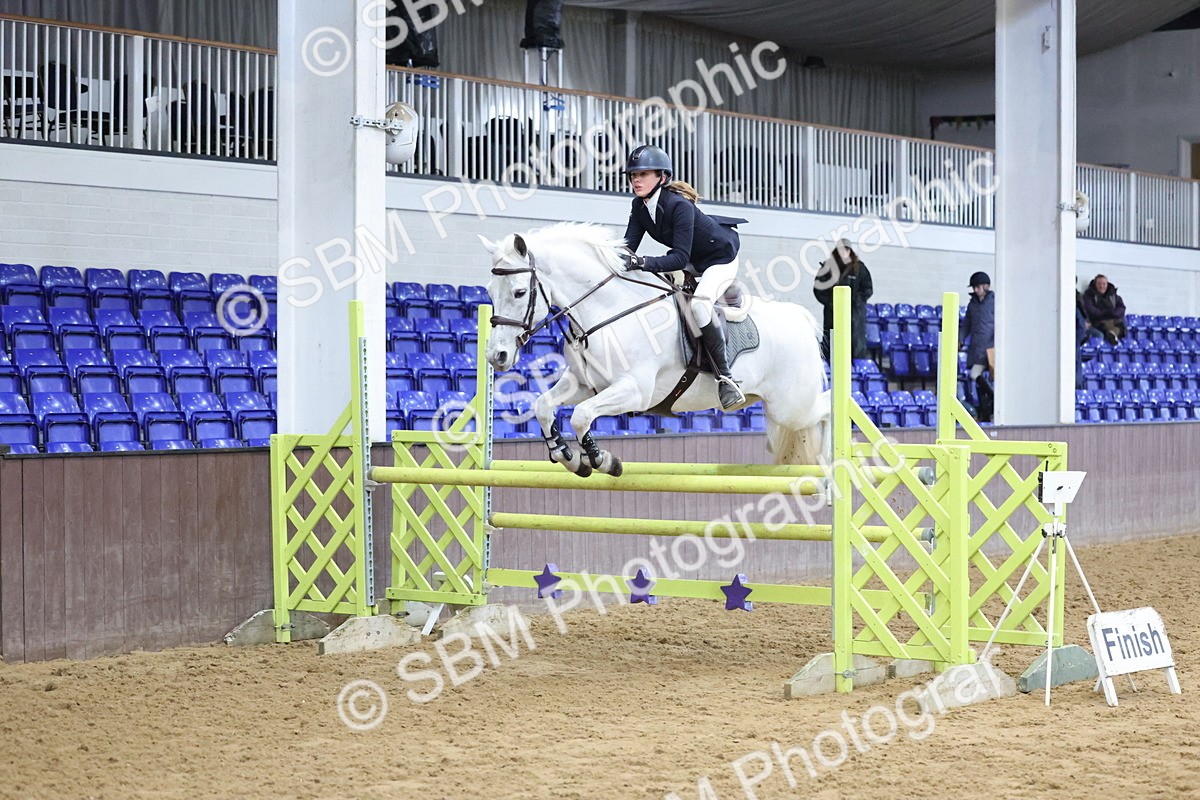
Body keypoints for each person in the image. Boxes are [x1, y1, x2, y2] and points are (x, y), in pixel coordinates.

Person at [619, 144, 748, 410]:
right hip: (691, 259)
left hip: (718, 259)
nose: (636, 180)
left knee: (700, 305)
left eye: (643, 174)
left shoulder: (679, 206)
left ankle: (725, 378)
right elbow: (628, 246)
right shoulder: (639, 206)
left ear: (662, 177)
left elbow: (677, 258)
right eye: (633, 175)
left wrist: (641, 262)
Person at [812, 239, 873, 362]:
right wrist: (831, 303)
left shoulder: (859, 268)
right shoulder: (827, 267)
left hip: (854, 316)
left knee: (854, 346)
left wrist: (855, 302)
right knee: (832, 344)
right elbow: (818, 289)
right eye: (841, 249)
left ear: (850, 251)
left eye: (847, 249)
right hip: (833, 315)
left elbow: (867, 289)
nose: (844, 252)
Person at [960, 271, 995, 421]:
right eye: (974, 287)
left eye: (978, 287)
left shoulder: (995, 302)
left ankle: (992, 404)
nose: (975, 290)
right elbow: (966, 324)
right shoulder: (972, 305)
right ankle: (988, 408)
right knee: (975, 376)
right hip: (978, 348)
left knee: (984, 378)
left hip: (993, 348)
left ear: (986, 286)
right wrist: (960, 339)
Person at [1081, 274, 1127, 345]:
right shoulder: (1088, 296)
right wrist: (1105, 313)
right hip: (1097, 322)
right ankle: (1111, 335)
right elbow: (1091, 310)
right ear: (1095, 284)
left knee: (1122, 326)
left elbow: (1121, 308)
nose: (1101, 286)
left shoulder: (1114, 296)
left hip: (1114, 321)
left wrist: (1113, 313)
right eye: (1099, 284)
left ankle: (1112, 335)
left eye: (1104, 284)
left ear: (1107, 284)